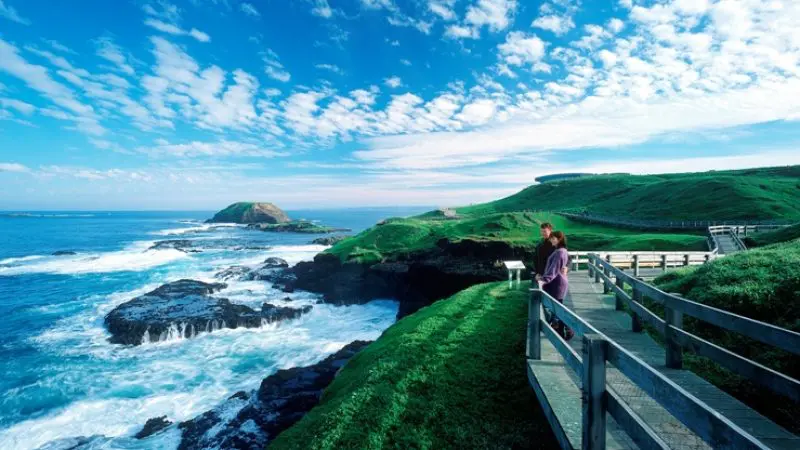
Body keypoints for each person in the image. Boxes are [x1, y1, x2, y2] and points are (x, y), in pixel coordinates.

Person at [536, 231, 574, 341]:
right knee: (557, 308)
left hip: (557, 284)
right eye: (551, 238)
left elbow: (553, 270)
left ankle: (568, 329)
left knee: (555, 309)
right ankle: (563, 332)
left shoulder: (559, 252)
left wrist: (543, 280)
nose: (551, 240)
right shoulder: (561, 251)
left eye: (553, 238)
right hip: (557, 283)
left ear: (559, 239)